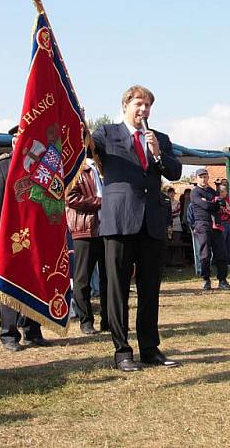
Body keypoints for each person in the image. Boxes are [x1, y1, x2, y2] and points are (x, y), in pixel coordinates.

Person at [92, 85, 183, 372]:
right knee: (118, 289)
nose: (143, 110)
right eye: (138, 104)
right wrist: (78, 122)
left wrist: (157, 153)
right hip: (119, 221)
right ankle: (122, 351)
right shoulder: (106, 134)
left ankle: (149, 348)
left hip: (151, 222)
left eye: (147, 106)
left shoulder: (160, 139)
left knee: (149, 290)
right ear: (125, 105)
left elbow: (175, 172)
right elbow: (85, 147)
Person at [0, 125, 51, 352]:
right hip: (10, 237)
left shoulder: (41, 165)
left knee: (36, 281)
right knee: (8, 282)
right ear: (13, 141)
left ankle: (32, 330)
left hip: (37, 235)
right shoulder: (0, 165)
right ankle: (8, 333)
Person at [65, 154, 106, 335]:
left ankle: (109, 319)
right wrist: (102, 203)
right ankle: (86, 320)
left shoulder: (102, 167)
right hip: (84, 229)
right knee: (83, 279)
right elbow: (70, 197)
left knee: (109, 278)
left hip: (107, 228)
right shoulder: (75, 169)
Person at [190, 168, 230, 291]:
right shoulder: (195, 193)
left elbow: (221, 205)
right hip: (202, 224)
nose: (203, 179)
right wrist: (212, 203)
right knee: (205, 253)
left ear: (208, 178)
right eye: (201, 177)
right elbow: (205, 205)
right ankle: (206, 280)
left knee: (221, 253)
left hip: (216, 225)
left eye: (205, 176)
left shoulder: (212, 191)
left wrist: (212, 203)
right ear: (197, 178)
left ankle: (222, 280)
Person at [218, 185, 230, 266]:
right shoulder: (218, 200)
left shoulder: (228, 200)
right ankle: (224, 262)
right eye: (225, 191)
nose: (227, 193)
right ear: (221, 192)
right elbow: (225, 211)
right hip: (222, 223)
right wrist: (229, 210)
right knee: (223, 243)